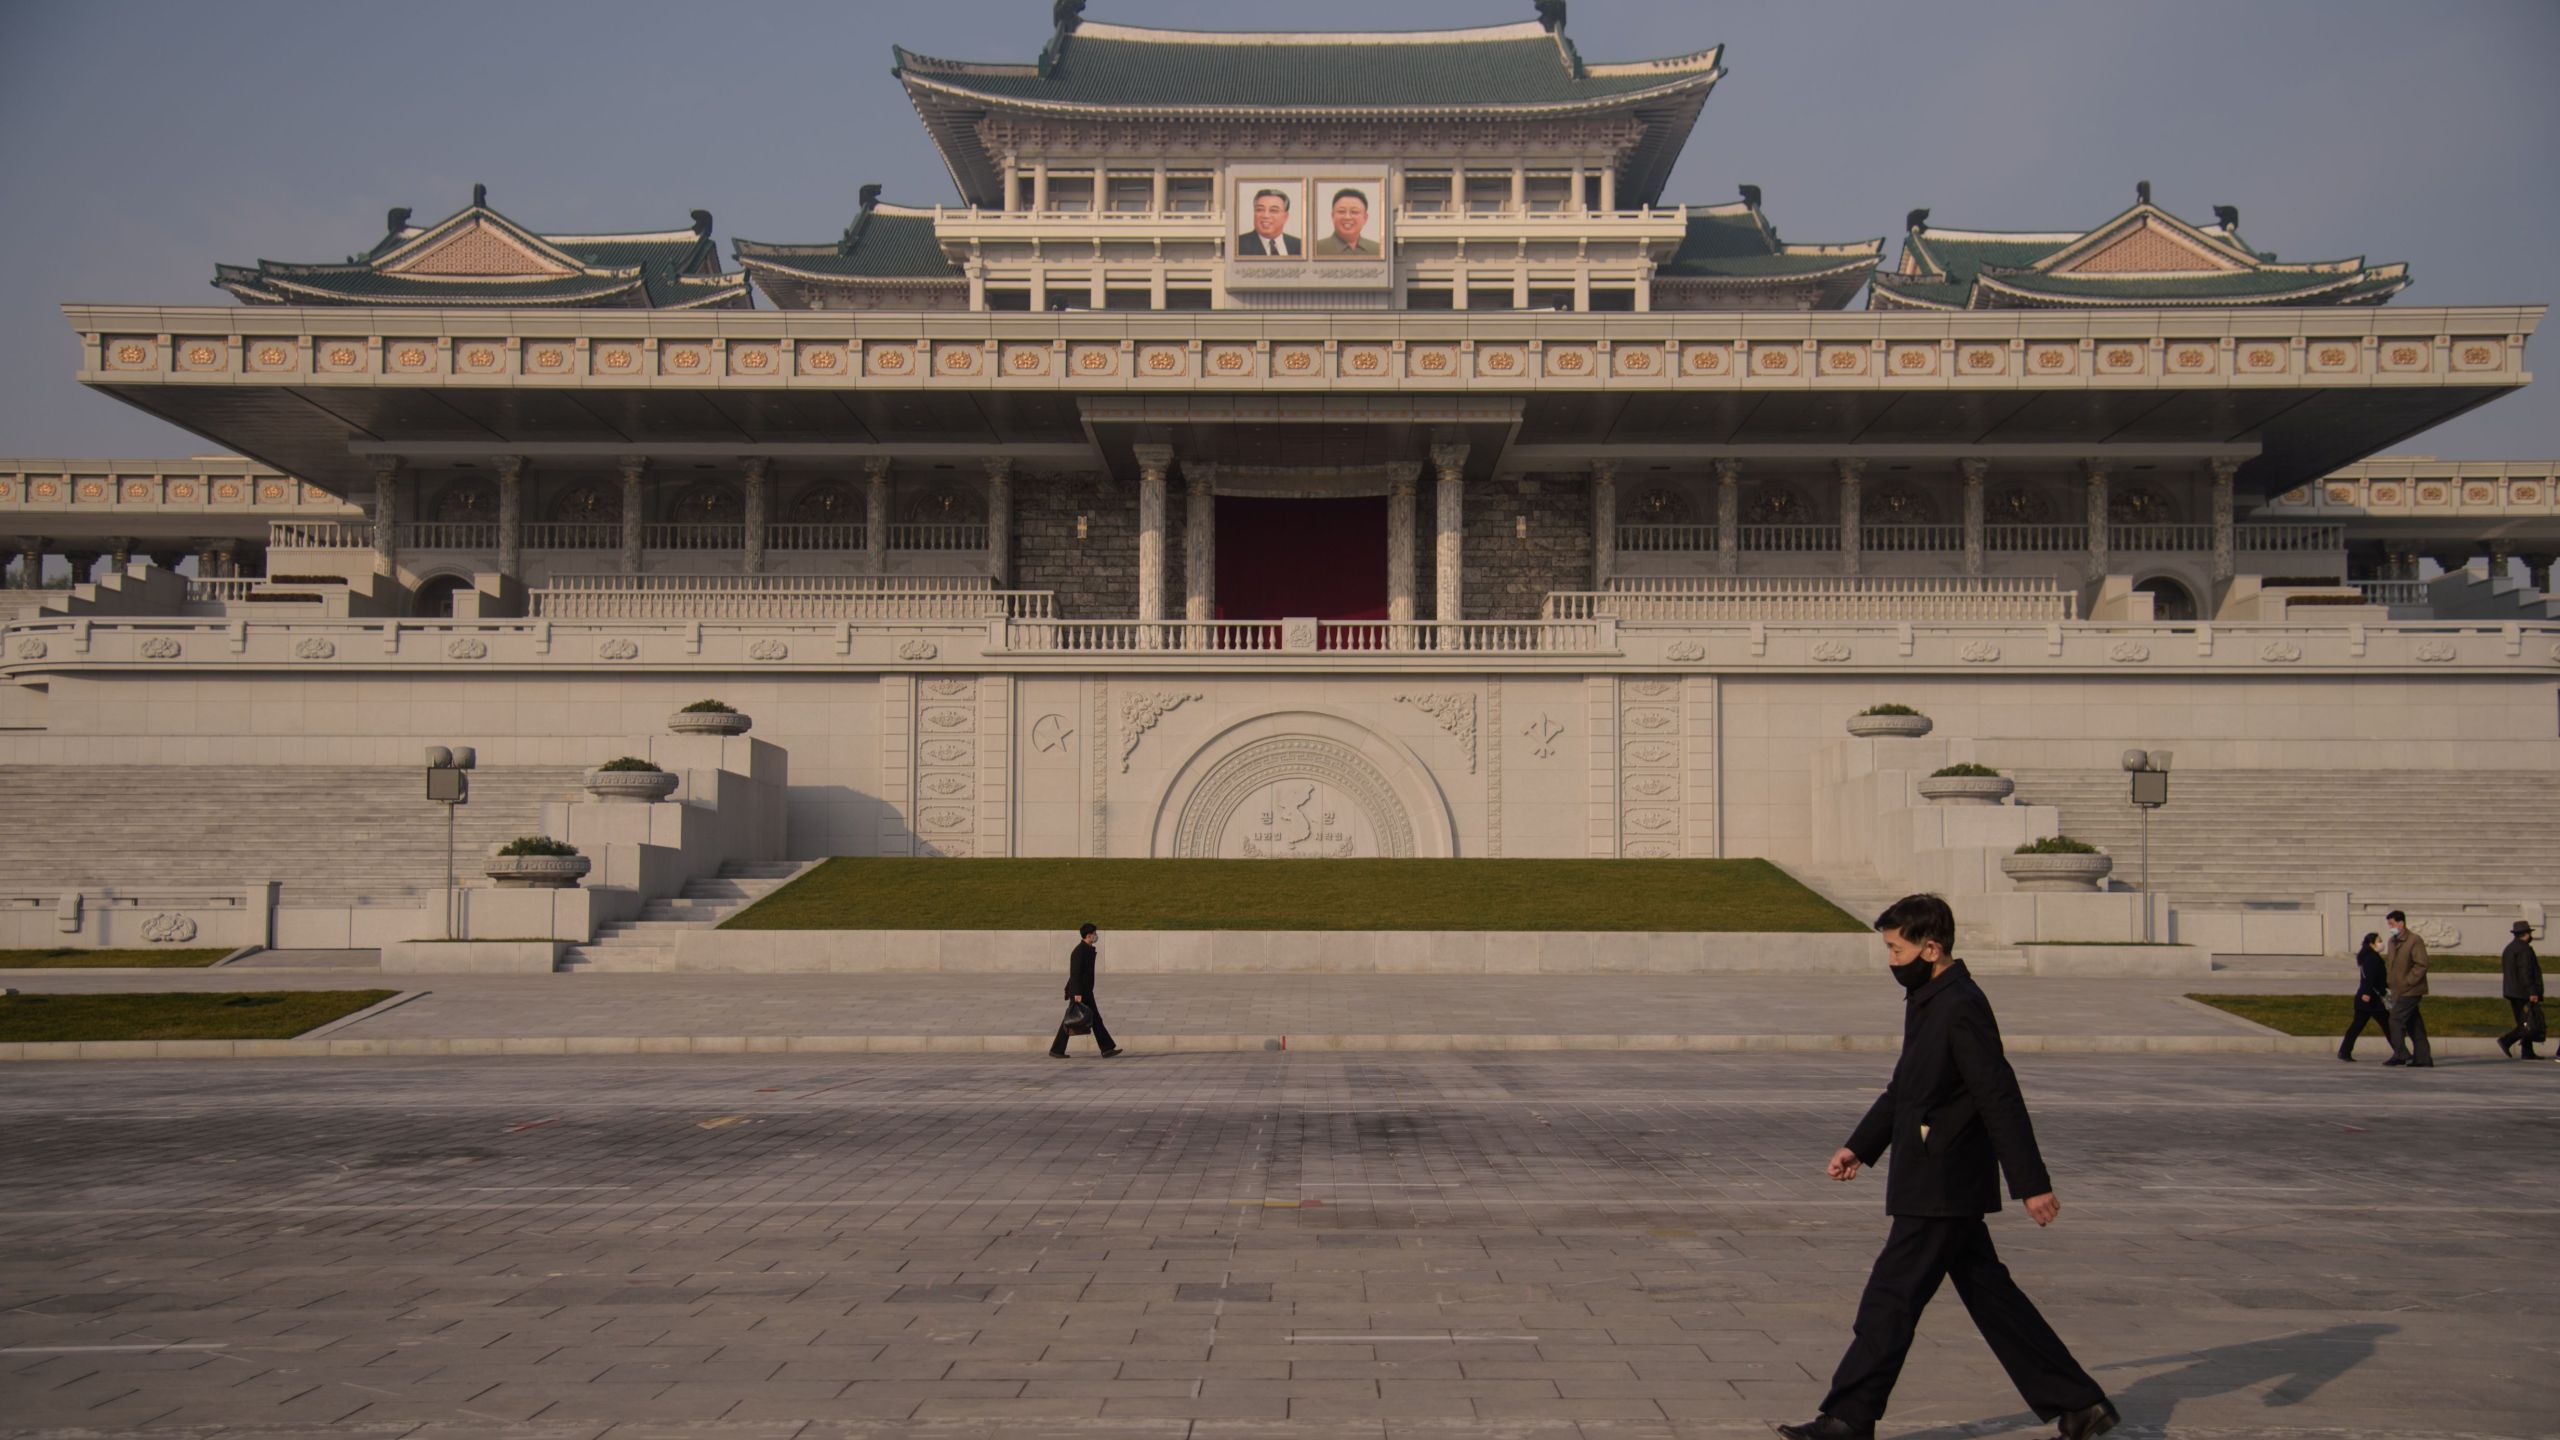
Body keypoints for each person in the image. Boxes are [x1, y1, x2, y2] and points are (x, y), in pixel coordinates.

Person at [1778, 894, 2117, 1440]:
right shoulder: (1930, 999)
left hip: (1941, 1180)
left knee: (1891, 1298)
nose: (1890, 959)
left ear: (1931, 948)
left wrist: (2031, 1185)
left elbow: (1998, 1094)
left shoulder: (1961, 1004)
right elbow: (1906, 1088)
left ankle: (1848, 1417)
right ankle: (2080, 1405)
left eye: (1896, 948)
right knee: (1993, 1298)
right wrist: (1860, 1147)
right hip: (1936, 1176)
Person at [1050, 922, 1122, 1059]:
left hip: (1085, 991)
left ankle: (1106, 1048)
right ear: (1088, 935)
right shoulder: (1079, 951)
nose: (1096, 936)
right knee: (1071, 1019)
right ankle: (1057, 1049)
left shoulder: (1087, 949)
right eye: (1094, 933)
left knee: (1090, 1019)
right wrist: (1075, 993)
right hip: (1080, 993)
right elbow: (1075, 974)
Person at [2381, 909, 2432, 1069]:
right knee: (2414, 1024)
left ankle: (2401, 1054)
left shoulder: (2414, 940)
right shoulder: (2391, 942)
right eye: (2389, 924)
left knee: (2395, 1020)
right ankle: (2423, 1058)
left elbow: (2421, 964)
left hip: (2411, 990)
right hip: (2397, 990)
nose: (2390, 927)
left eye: (2392, 923)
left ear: (2401, 923)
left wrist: (2408, 981)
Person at [2338, 931, 2394, 1062]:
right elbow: (2370, 978)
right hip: (2371, 1000)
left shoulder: (2369, 957)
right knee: (2388, 1026)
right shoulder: (2373, 958)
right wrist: (2367, 993)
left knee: (2357, 1026)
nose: (2381, 943)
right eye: (2379, 941)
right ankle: (2401, 1052)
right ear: (2372, 944)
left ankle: (2344, 1051)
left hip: (2366, 999)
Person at [2496, 920, 2542, 1060]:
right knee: (2527, 1023)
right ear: (2526, 934)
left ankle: (2527, 1051)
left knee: (2526, 1021)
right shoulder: (2524, 949)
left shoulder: (2510, 948)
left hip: (2512, 990)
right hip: (2522, 992)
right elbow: (2525, 972)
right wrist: (2532, 991)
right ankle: (2506, 1040)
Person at [1312, 187, 1383, 258]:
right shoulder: (1316, 249)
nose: (1347, 217)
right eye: (1341, 211)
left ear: (1365, 218)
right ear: (1332, 216)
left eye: (1354, 212)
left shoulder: (1378, 250)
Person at [1235, 188, 1301, 257]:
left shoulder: (1300, 245)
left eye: (1273, 210)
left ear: (1285, 217)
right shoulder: (1237, 245)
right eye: (1260, 209)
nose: (1265, 215)